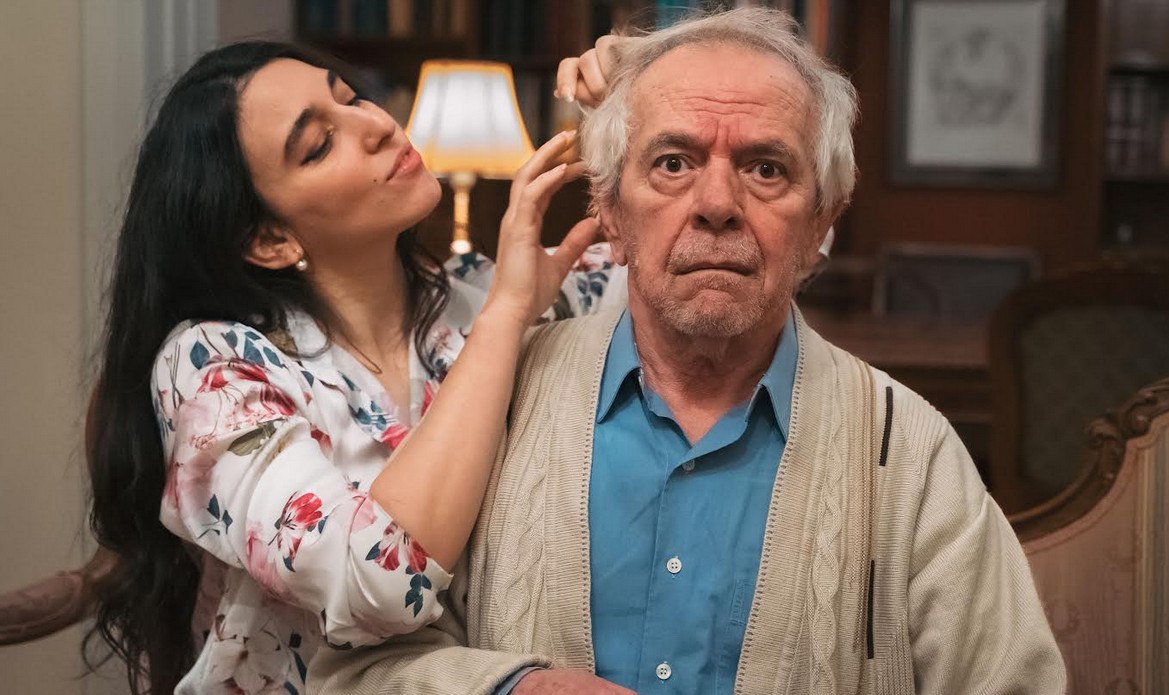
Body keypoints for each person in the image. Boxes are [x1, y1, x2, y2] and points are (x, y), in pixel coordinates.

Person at [308, 9, 1065, 695]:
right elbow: (356, 674)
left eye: (766, 168)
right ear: (608, 209)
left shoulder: (908, 452)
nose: (716, 205)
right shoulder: (493, 406)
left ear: (821, 222)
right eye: (673, 162)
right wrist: (515, 689)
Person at [86, 41, 620, 694]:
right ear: (269, 240)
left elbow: (690, 280)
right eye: (319, 145)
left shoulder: (484, 292)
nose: (376, 125)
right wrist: (506, 316)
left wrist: (645, 94)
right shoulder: (216, 370)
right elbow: (383, 585)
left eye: (352, 98)